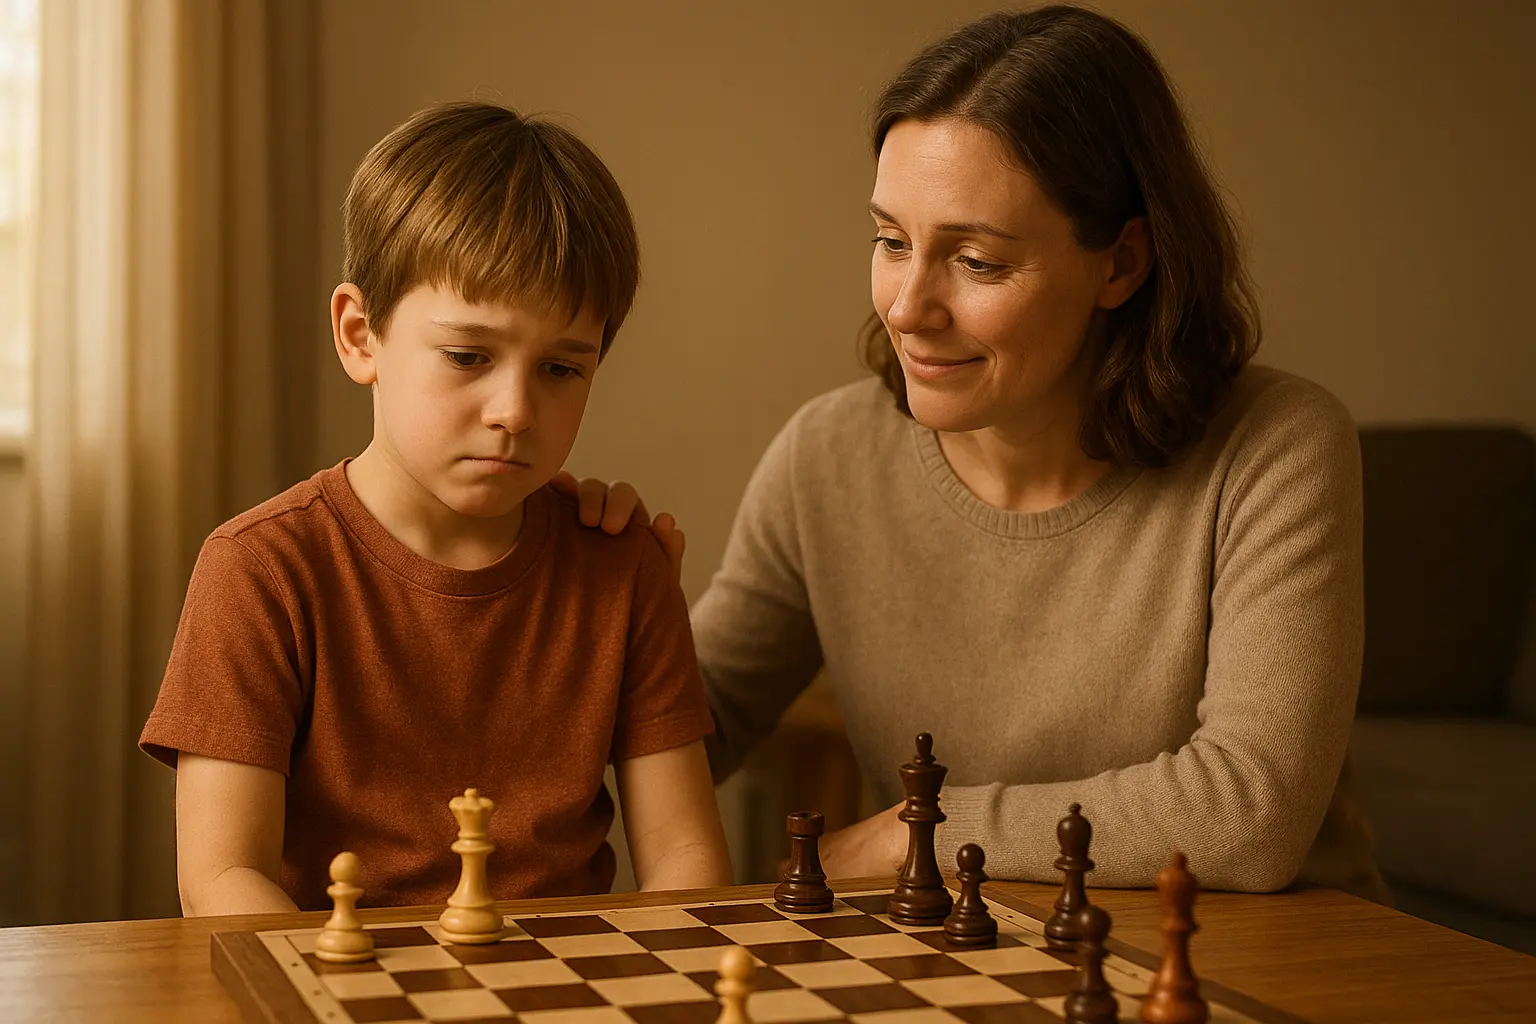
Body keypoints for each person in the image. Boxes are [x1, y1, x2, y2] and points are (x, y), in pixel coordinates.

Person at [560, 5, 1386, 899]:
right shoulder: (827, 458)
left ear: (1122, 263)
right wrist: (548, 580)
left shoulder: (1278, 449)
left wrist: (914, 834)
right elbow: (685, 724)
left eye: (979, 262)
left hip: (1275, 970)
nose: (909, 305)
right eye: (891, 242)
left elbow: (1250, 816)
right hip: (970, 968)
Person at [139, 102, 732, 915]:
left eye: (562, 369)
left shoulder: (624, 565)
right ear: (359, 335)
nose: (515, 410)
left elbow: (688, 857)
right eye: (468, 356)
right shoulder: (261, 568)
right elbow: (220, 879)